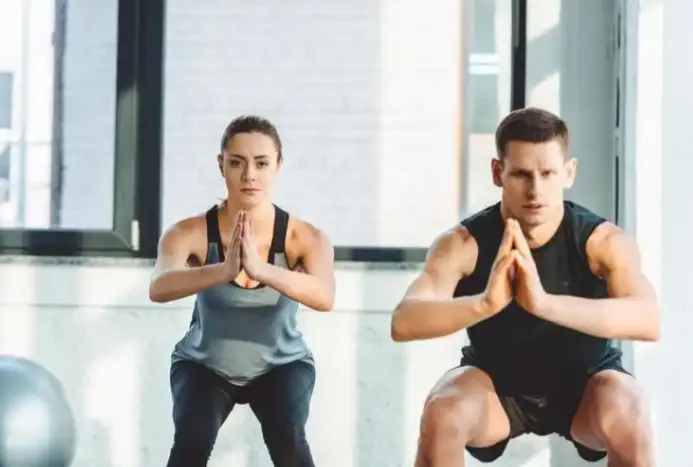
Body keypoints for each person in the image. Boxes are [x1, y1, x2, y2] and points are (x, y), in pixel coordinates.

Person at [391, 107, 659, 467]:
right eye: (521, 174)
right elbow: (404, 321)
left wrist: (544, 303)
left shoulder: (602, 242)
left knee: (631, 410)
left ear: (569, 172)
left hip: (585, 388)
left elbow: (648, 320)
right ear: (497, 173)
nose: (535, 190)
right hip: (496, 389)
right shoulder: (463, 244)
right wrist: (486, 303)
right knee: (442, 411)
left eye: (547, 174)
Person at [149, 115, 336, 467]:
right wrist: (223, 271)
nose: (249, 175)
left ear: (278, 166)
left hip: (282, 364)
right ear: (221, 165)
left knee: (288, 439)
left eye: (261, 163)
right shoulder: (188, 233)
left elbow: (325, 296)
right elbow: (158, 287)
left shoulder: (304, 237)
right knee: (191, 442)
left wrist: (262, 270)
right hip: (204, 364)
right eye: (237, 163)